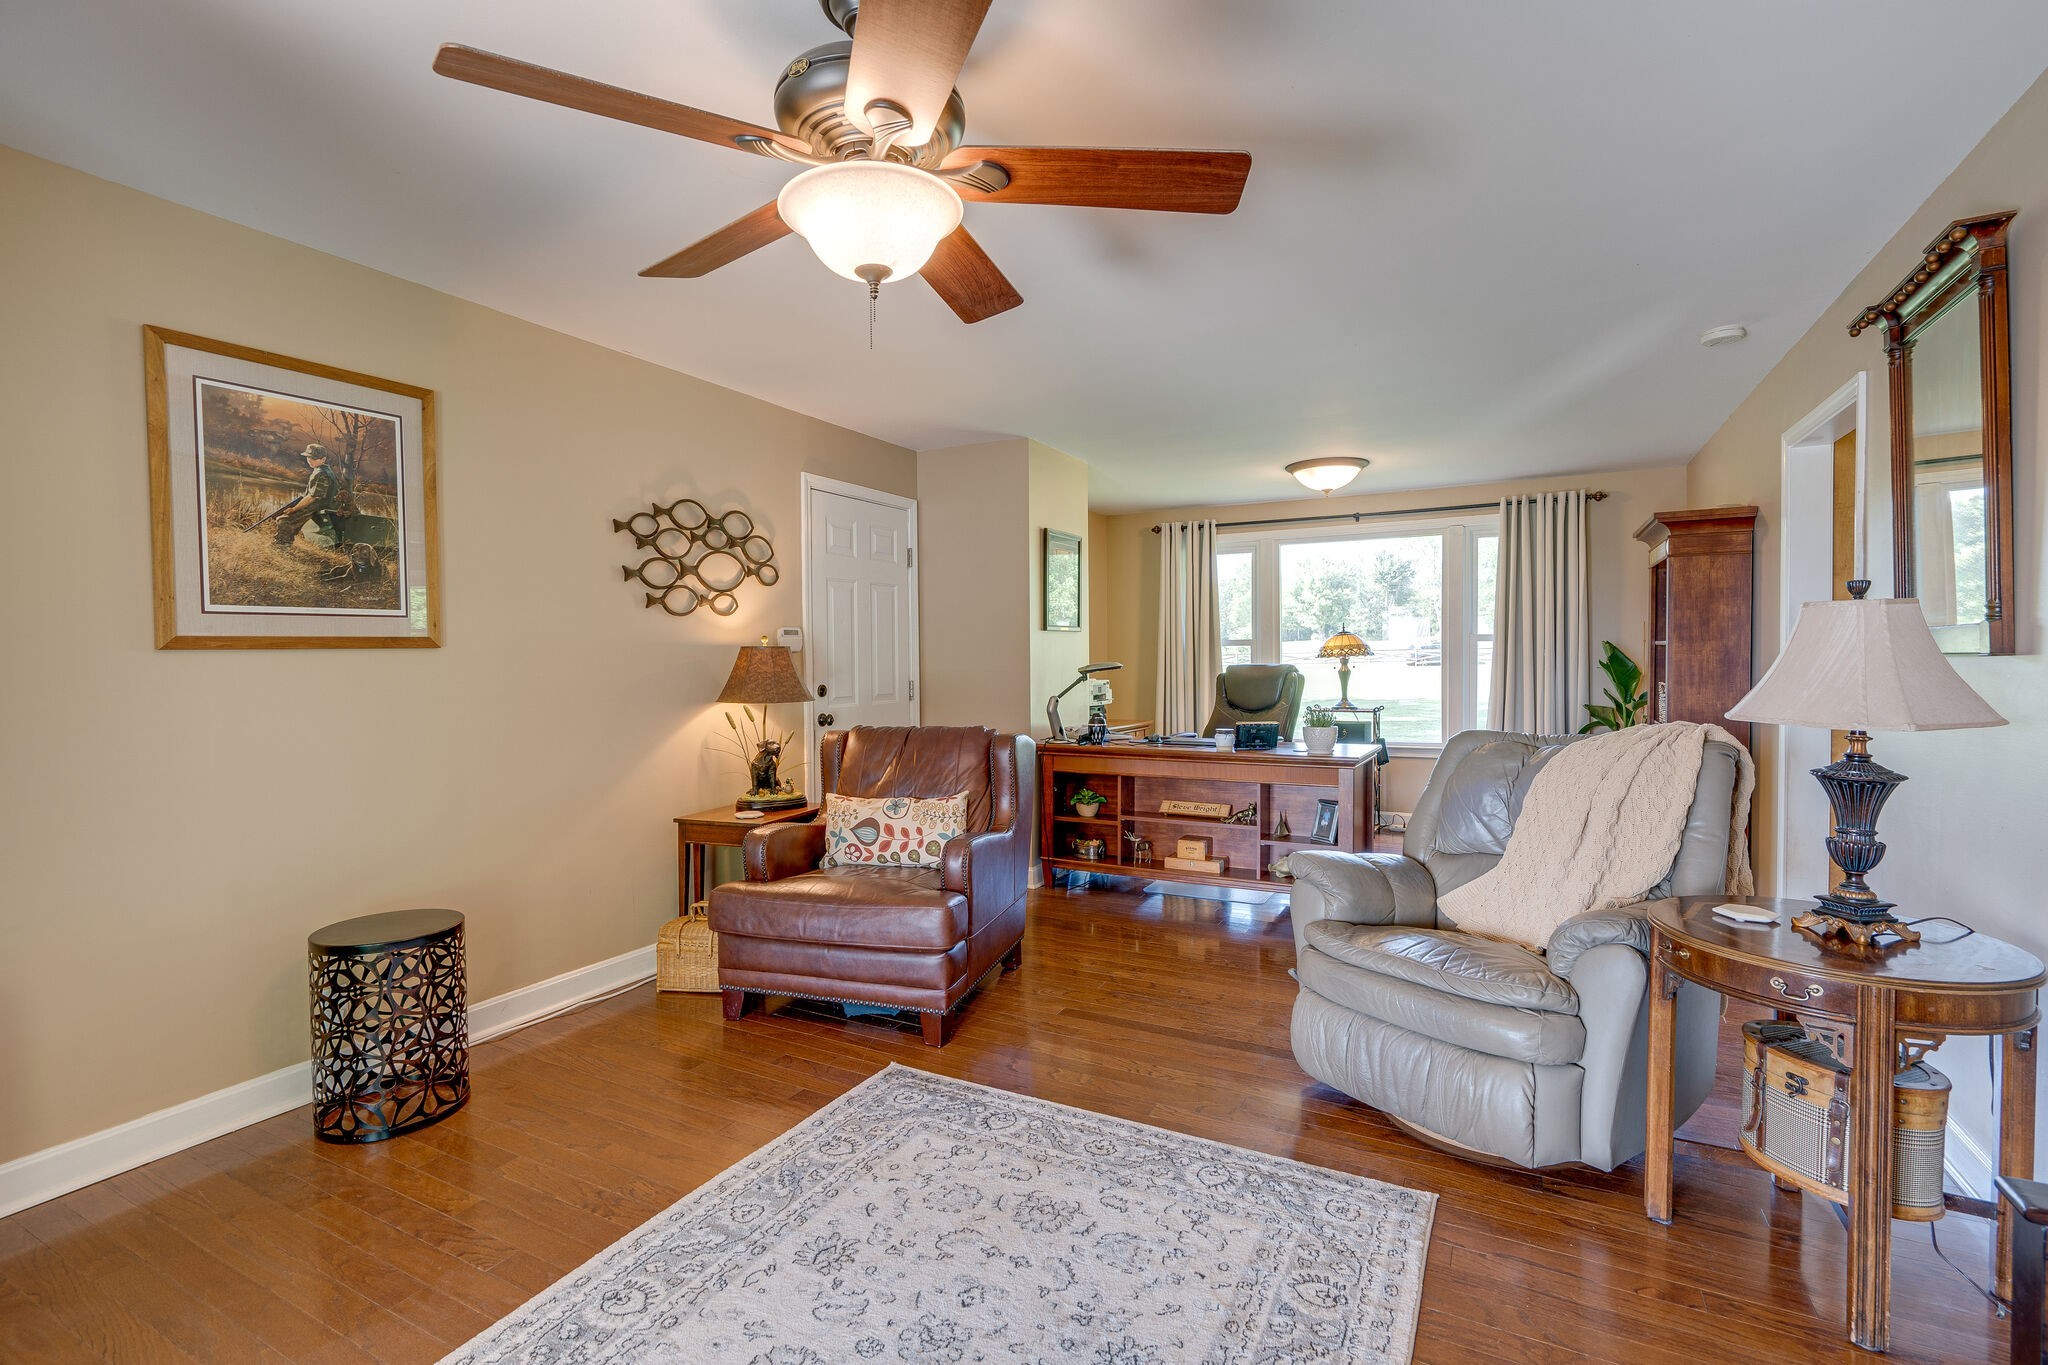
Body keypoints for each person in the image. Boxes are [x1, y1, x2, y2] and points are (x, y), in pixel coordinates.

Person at [269, 444, 342, 545]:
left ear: (323, 459)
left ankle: (282, 545)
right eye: (308, 457)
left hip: (318, 505)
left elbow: (313, 497)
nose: (310, 460)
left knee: (284, 520)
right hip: (317, 504)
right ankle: (285, 542)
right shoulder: (320, 470)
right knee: (285, 517)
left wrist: (294, 509)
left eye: (314, 458)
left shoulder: (322, 473)